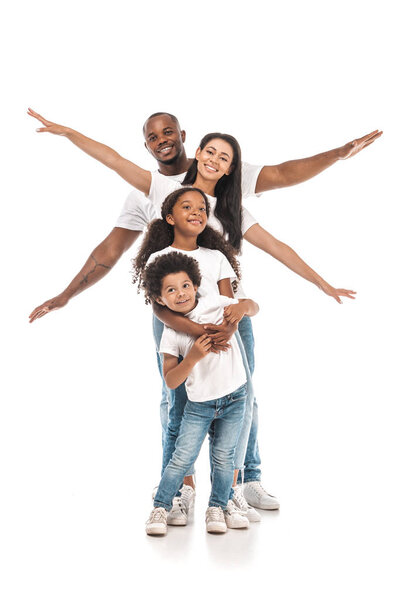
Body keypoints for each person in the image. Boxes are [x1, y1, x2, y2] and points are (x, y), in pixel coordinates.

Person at [27, 108, 361, 511]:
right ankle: (181, 486)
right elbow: (112, 169)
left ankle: (241, 482)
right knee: (177, 399)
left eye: (170, 132)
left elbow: (282, 211)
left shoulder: (229, 204)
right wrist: (68, 133)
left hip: (225, 319)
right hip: (173, 317)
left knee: (244, 395)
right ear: (197, 151)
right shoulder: (156, 190)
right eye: (153, 135)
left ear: (191, 139)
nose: (163, 139)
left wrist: (321, 282)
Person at [141, 251, 259, 535]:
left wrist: (241, 310)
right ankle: (161, 506)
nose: (180, 294)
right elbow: (171, 381)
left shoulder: (216, 303)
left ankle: (217, 507)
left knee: (224, 457)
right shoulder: (172, 332)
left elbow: (253, 305)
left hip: (235, 398)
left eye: (185, 286)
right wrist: (192, 357)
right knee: (181, 458)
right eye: (171, 290)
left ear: (195, 285)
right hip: (200, 405)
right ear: (160, 300)